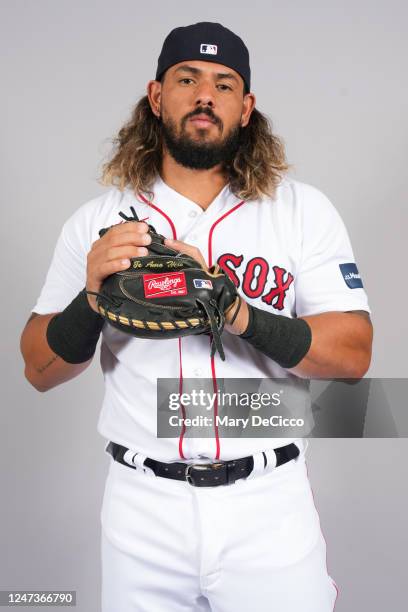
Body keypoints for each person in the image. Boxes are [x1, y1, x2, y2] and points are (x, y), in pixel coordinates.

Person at [20, 21, 373, 612]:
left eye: (224, 84)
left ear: (246, 107)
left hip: (267, 504)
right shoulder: (98, 221)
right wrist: (92, 296)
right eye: (187, 79)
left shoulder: (301, 211)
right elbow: (38, 367)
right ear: (157, 97)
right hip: (142, 507)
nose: (205, 95)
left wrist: (231, 306)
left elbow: (354, 355)